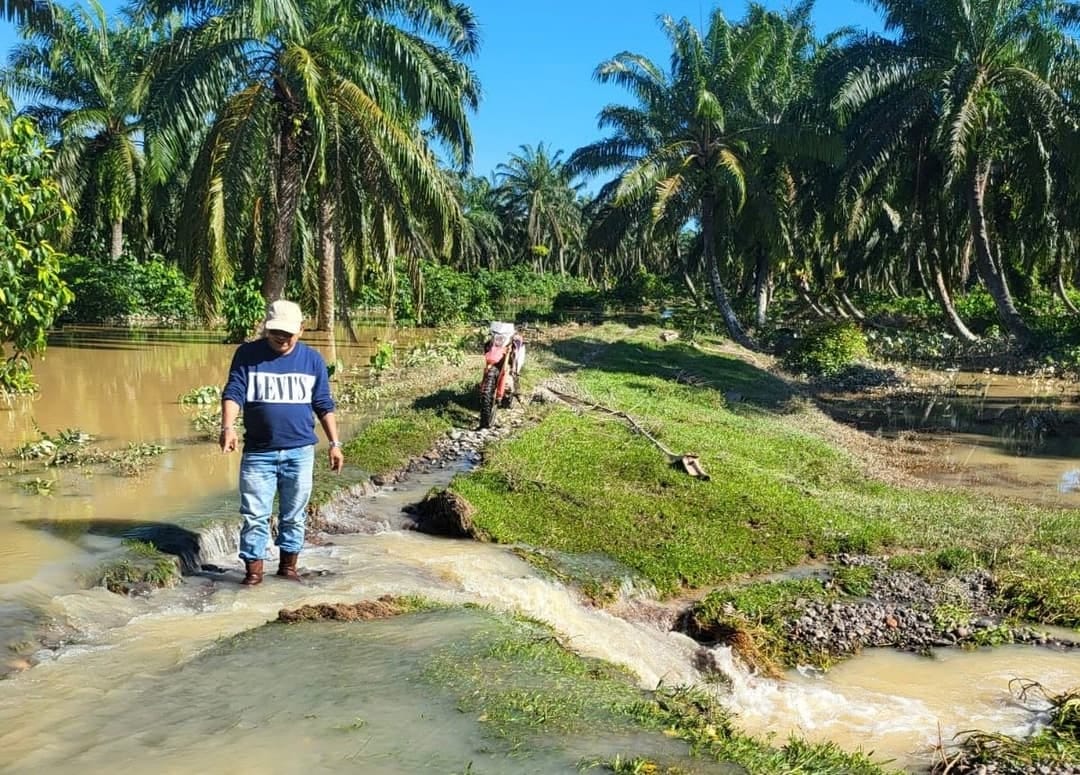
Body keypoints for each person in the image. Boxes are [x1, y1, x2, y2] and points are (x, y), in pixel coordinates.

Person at [219, 299, 345, 586]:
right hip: (258, 454)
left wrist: (335, 443)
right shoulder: (248, 355)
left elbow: (323, 404)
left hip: (299, 452)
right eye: (276, 331)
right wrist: (228, 427)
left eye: (288, 333)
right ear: (266, 327)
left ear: (301, 330)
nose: (282, 338)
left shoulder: (312, 360)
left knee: (294, 515)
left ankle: (288, 571)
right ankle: (253, 575)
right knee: (254, 515)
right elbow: (234, 391)